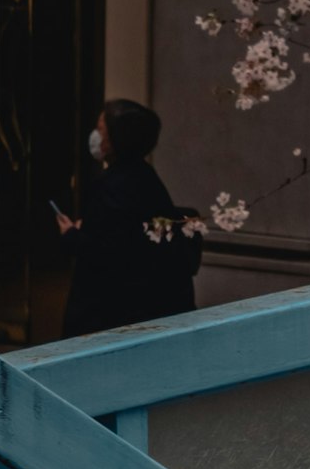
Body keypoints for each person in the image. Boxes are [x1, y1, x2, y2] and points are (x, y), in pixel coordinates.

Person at [53, 98, 204, 330]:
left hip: (116, 314)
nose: (95, 135)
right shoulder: (146, 178)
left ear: (114, 141)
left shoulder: (110, 187)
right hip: (146, 308)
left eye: (101, 130)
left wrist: (71, 234)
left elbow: (104, 252)